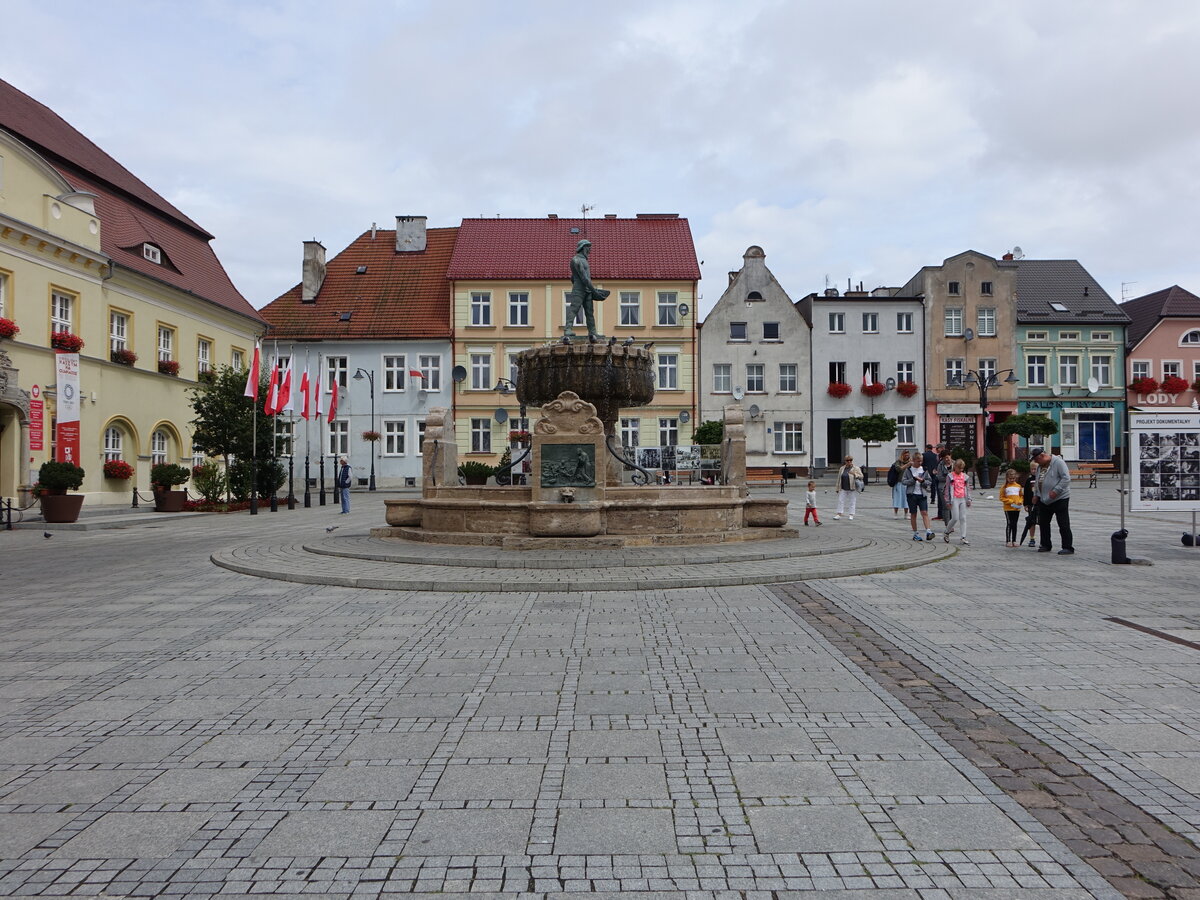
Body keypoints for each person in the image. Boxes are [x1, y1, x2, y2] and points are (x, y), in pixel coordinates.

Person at [563, 239, 610, 342]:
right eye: (588, 247)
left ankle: (592, 332)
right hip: (580, 290)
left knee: (589, 312)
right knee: (574, 309)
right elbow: (584, 278)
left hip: (586, 290)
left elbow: (573, 277)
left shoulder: (583, 260)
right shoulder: (576, 260)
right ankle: (568, 329)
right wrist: (594, 291)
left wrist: (589, 289)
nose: (590, 250)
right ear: (582, 248)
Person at [1033, 448, 1074, 554]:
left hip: (1060, 498)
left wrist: (1056, 490)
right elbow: (1038, 481)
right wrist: (1036, 495)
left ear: (1042, 456)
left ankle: (1067, 547)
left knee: (1063, 523)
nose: (1036, 463)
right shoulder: (1040, 467)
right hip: (1044, 499)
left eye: (1037, 460)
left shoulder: (1058, 463)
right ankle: (1045, 544)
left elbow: (1066, 478)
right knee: (1043, 523)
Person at [902, 456, 935, 541]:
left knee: (924, 512)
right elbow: (904, 481)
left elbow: (929, 481)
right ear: (913, 461)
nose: (920, 463)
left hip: (922, 494)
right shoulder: (908, 470)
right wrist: (913, 479)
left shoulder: (924, 470)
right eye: (918, 461)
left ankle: (928, 531)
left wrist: (923, 481)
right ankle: (915, 533)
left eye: (921, 461)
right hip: (911, 494)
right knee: (913, 514)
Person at [941, 458, 972, 545]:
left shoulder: (965, 477)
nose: (960, 470)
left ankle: (963, 536)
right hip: (954, 498)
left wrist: (969, 499)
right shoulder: (950, 476)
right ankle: (947, 531)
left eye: (962, 469)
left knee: (963, 518)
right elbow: (947, 489)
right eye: (959, 468)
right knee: (955, 518)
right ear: (955, 467)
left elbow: (967, 488)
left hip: (962, 498)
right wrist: (947, 501)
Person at [1018, 461, 1040, 548]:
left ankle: (1043, 539)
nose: (1034, 471)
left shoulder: (1042, 479)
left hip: (1041, 504)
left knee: (1042, 521)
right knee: (1031, 522)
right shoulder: (1029, 480)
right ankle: (1032, 538)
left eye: (1036, 469)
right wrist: (1026, 504)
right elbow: (1026, 492)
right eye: (1032, 469)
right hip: (1031, 504)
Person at [833, 455, 863, 520]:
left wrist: (855, 474)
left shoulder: (856, 468)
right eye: (847, 460)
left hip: (852, 487)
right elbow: (839, 478)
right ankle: (839, 514)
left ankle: (851, 514)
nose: (849, 461)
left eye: (850, 460)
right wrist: (837, 488)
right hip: (843, 487)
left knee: (852, 501)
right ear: (845, 461)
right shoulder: (842, 468)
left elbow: (861, 476)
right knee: (840, 500)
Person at [1001, 468, 1024, 547]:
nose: (1012, 480)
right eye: (1010, 478)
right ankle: (1008, 540)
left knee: (1015, 524)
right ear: (1007, 478)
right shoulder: (1004, 487)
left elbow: (1021, 495)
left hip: (1016, 508)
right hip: (1008, 508)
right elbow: (1002, 497)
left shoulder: (1018, 486)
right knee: (1009, 523)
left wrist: (1020, 501)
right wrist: (1010, 501)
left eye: (1013, 478)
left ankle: (1014, 540)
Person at [887, 450, 910, 516]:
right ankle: (895, 513)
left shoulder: (911, 462)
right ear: (902, 455)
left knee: (906, 499)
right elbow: (898, 469)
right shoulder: (898, 462)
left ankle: (906, 513)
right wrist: (907, 465)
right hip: (898, 483)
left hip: (907, 483)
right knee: (897, 498)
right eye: (905, 455)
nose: (907, 456)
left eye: (908, 455)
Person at [922, 444, 941, 519]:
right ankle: (933, 498)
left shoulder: (923, 455)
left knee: (924, 484)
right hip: (933, 471)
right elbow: (937, 463)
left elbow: (922, 463)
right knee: (933, 485)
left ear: (926, 448)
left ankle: (924, 496)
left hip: (926, 471)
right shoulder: (935, 455)